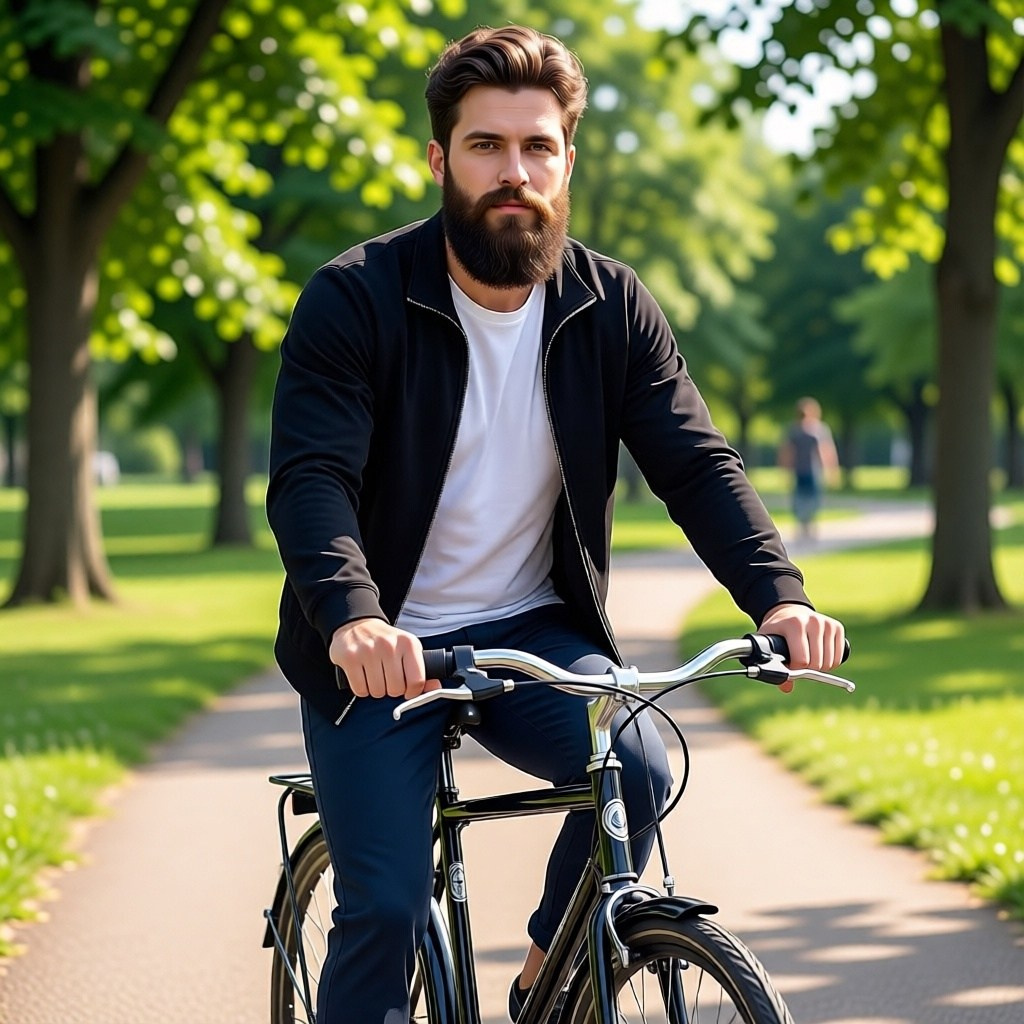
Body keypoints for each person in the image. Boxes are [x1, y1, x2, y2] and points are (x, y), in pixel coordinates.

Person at [266, 24, 846, 1024]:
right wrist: (351, 616)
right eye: (486, 146)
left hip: (529, 629)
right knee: (389, 906)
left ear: (566, 157)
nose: (514, 172)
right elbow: (312, 477)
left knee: (642, 760)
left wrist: (779, 595)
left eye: (536, 147)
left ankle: (546, 972)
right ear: (440, 158)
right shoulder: (354, 298)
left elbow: (695, 464)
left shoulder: (610, 305)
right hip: (380, 646)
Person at [778, 397, 840, 539]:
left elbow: (825, 451)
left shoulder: (818, 430)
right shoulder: (795, 431)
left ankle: (809, 525)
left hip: (813, 470)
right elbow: (788, 451)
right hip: (800, 470)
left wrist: (831, 469)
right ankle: (803, 526)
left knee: (812, 500)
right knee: (800, 500)